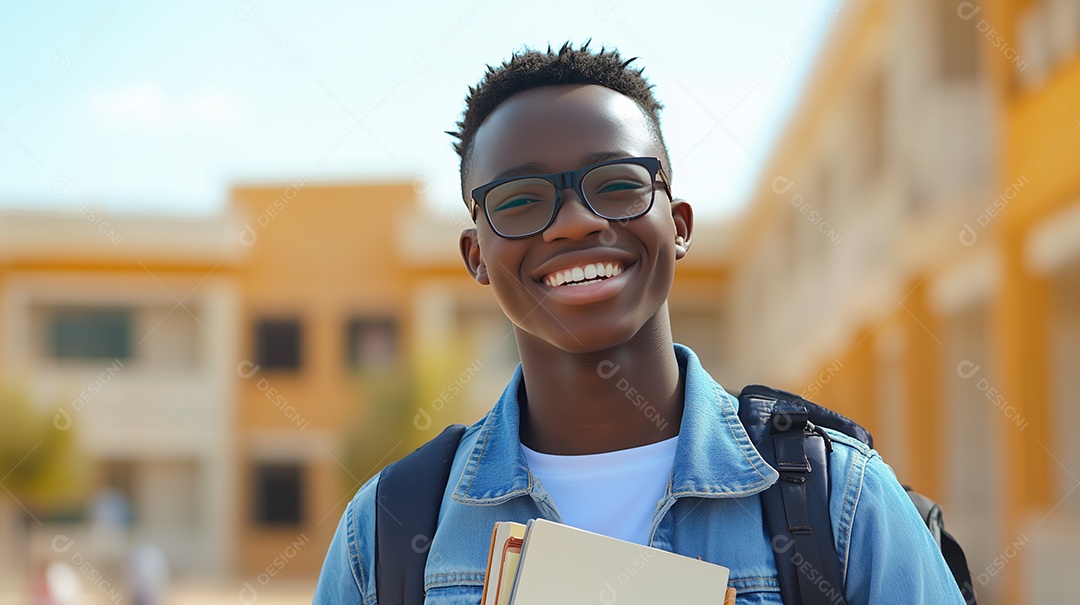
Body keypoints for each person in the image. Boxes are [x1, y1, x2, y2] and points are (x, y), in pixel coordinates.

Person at [313, 42, 965, 604]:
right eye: (519, 200)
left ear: (678, 224)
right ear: (476, 255)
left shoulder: (838, 500)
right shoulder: (389, 526)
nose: (574, 221)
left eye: (618, 184)